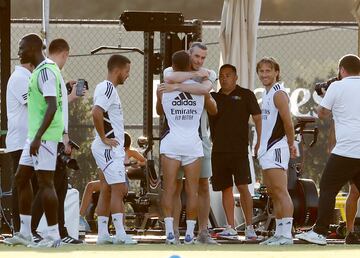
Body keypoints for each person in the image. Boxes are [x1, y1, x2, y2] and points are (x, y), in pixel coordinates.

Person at [3, 33, 67, 248]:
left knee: (46, 183)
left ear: (33, 48)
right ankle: (24, 232)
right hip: (34, 136)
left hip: (45, 137)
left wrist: (38, 137)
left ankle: (53, 236)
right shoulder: (38, 71)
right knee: (21, 178)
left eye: (22, 47)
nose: (19, 52)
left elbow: (52, 105)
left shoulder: (47, 71)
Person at [296, 55, 360, 245]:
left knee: (327, 188)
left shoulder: (337, 87)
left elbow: (322, 113)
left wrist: (328, 98)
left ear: (341, 70)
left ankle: (320, 232)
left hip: (346, 150)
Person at [160, 42, 218, 244]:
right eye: (196, 57)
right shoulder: (172, 72)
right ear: (189, 56)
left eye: (203, 58)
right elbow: (173, 78)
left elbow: (213, 107)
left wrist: (177, 87)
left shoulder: (206, 75)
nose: (200, 61)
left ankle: (202, 232)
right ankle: (177, 232)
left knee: (201, 186)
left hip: (199, 139)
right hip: (190, 141)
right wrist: (196, 83)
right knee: (177, 187)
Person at [29, 38, 84, 245]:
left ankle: (52, 231)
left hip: (48, 137)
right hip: (48, 138)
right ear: (65, 54)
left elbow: (57, 106)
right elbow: (53, 108)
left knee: (53, 186)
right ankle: (40, 230)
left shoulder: (51, 73)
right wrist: (64, 138)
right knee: (49, 185)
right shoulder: (50, 72)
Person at [208, 64, 261, 240]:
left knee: (244, 188)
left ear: (236, 77)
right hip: (218, 150)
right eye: (221, 76)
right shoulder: (213, 97)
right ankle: (230, 227)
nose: (224, 78)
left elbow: (258, 118)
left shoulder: (246, 95)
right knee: (225, 189)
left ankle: (250, 227)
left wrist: (259, 141)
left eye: (228, 75)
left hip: (239, 151)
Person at [91, 54, 137, 245]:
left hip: (106, 149)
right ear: (118, 71)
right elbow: (96, 111)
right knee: (119, 188)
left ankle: (103, 234)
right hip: (109, 149)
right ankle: (119, 233)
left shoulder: (106, 89)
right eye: (127, 71)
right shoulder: (108, 88)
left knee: (107, 189)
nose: (128, 75)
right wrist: (103, 138)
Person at [256, 57, 297, 246]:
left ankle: (286, 235)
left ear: (276, 72)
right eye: (261, 71)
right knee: (272, 191)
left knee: (281, 191)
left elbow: (288, 123)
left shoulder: (279, 94)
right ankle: (279, 233)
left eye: (268, 71)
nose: (264, 74)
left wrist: (291, 144)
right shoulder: (267, 93)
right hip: (266, 150)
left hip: (277, 148)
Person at [79, 132, 146, 230]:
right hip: (108, 179)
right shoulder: (109, 150)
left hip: (121, 181)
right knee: (90, 186)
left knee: (117, 193)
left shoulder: (130, 152)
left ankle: (121, 227)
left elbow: (144, 161)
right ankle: (80, 218)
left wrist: (133, 163)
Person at [5, 51, 34, 234]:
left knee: (26, 185)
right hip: (20, 143)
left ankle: (27, 229)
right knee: (21, 184)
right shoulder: (19, 78)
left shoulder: (27, 77)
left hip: (29, 141)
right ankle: (19, 230)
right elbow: (33, 104)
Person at [328, 119, 360, 244]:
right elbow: (334, 124)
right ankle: (350, 232)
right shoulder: (347, 104)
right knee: (355, 192)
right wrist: (332, 147)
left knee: (355, 192)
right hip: (351, 152)